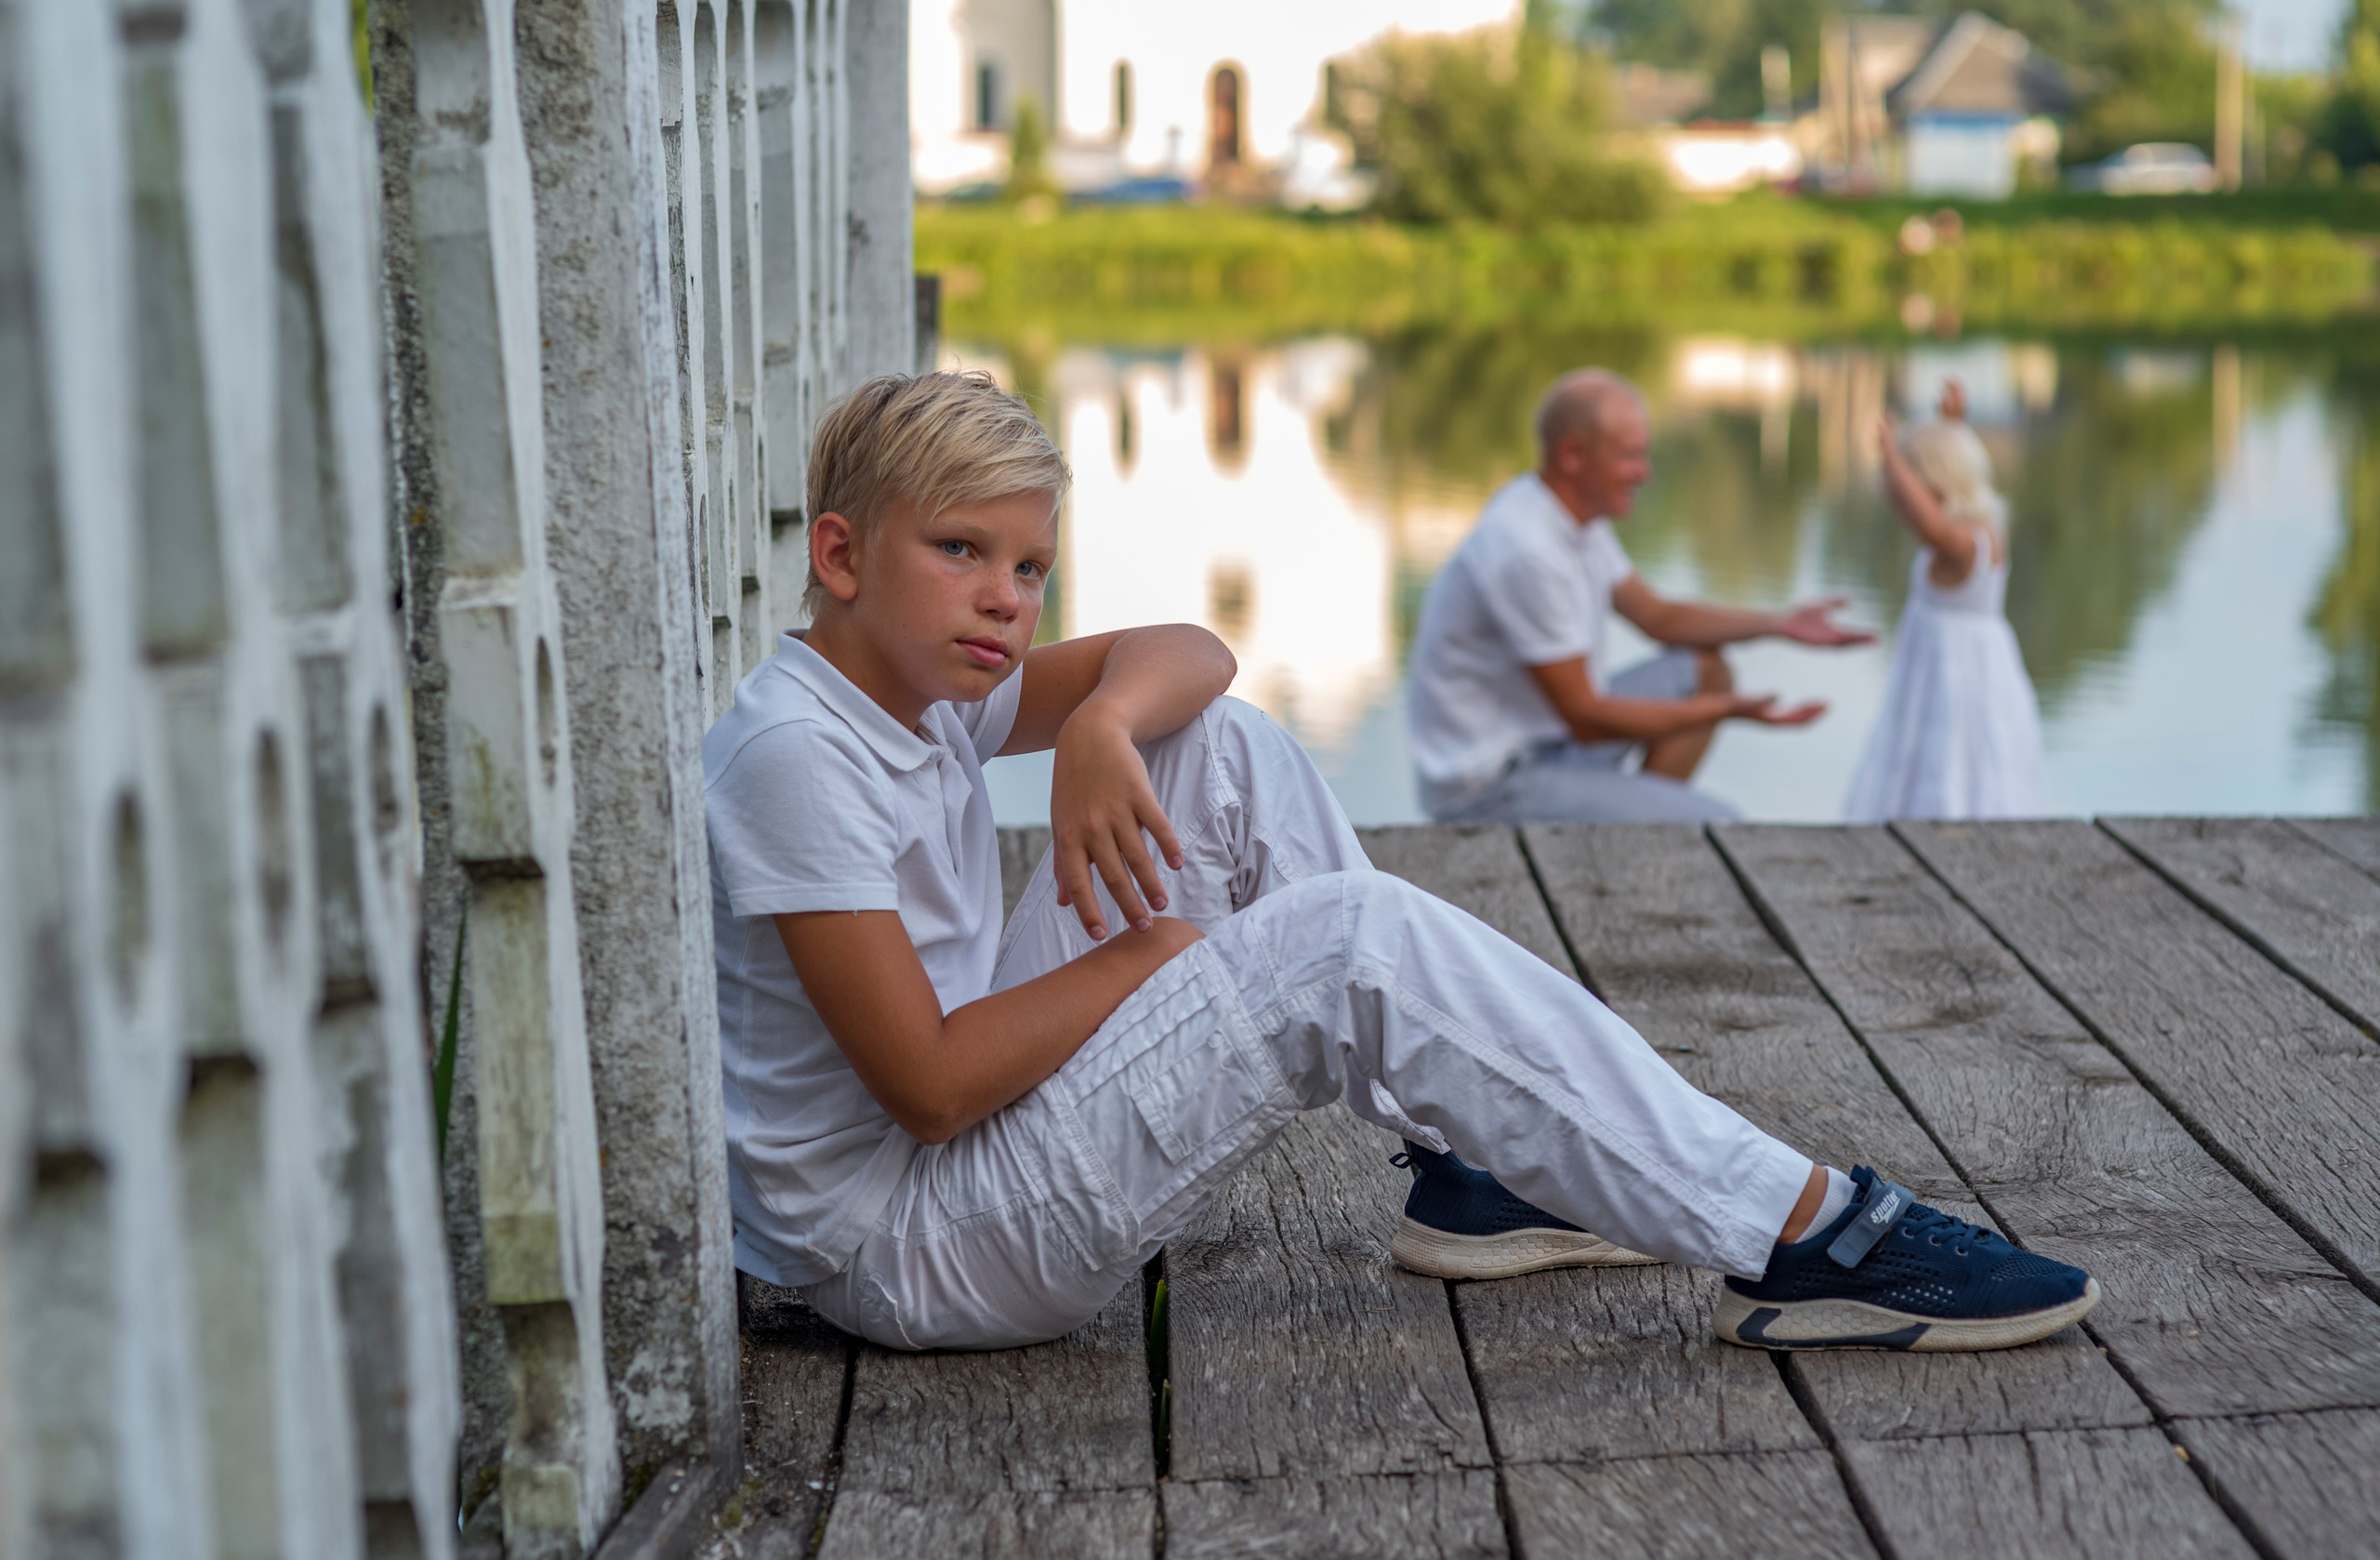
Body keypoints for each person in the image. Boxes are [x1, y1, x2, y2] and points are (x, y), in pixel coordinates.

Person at [704, 369, 2099, 1355]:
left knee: (1215, 744)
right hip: (912, 1248)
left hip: (961, 1173)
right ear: (842, 555)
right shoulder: (797, 757)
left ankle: (1469, 1169)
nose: (1005, 602)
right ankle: (1804, 1232)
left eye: (1029, 569)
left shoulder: (922, 682)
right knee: (1344, 941)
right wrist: (1150, 956)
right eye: (962, 551)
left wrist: (1100, 724)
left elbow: (1196, 650)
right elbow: (931, 1088)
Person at [1407, 368, 1871, 824]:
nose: (1645, 474)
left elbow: (1658, 617)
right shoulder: (1527, 550)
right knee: (1722, 823)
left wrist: (1778, 623)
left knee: (1707, 670)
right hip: (1492, 785)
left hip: (1552, 741)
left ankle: (1635, 828)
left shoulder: (1572, 517)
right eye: (1630, 456)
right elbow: (1586, 719)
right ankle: (1640, 831)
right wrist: (1723, 712)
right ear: (1573, 454)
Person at [1844, 381, 2049, 820]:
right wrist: (1952, 426)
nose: (1903, 515)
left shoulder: (1963, 545)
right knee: (1927, 758)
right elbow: (1954, 469)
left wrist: (1891, 455)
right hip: (1936, 676)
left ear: (1936, 493)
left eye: (1905, 502)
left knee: (1957, 760)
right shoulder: (1979, 530)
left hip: (1959, 679)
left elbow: (1932, 524)